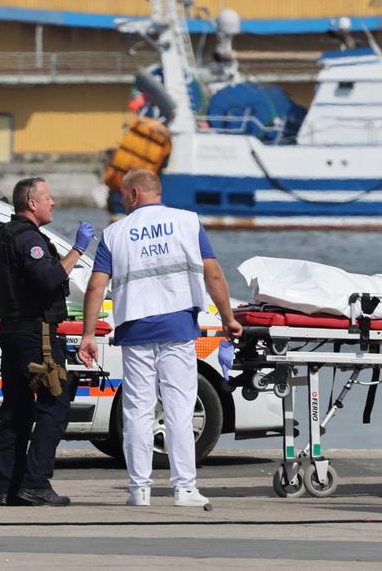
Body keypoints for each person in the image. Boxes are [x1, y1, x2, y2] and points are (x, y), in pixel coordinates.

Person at [78, 169, 242, 508]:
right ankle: (184, 489)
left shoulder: (114, 233)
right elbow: (213, 272)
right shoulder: (187, 222)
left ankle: (139, 490)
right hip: (178, 326)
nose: (122, 201)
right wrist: (228, 318)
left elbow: (96, 286)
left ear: (135, 193)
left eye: (123, 195)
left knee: (138, 410)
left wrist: (89, 334)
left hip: (135, 329)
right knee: (179, 408)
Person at [0, 177, 94, 506]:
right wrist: (78, 249)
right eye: (48, 198)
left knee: (17, 410)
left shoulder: (3, 235)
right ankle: (35, 481)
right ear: (32, 204)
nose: (54, 203)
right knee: (55, 405)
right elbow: (49, 278)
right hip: (38, 335)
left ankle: (9, 486)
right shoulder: (28, 239)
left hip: (13, 330)